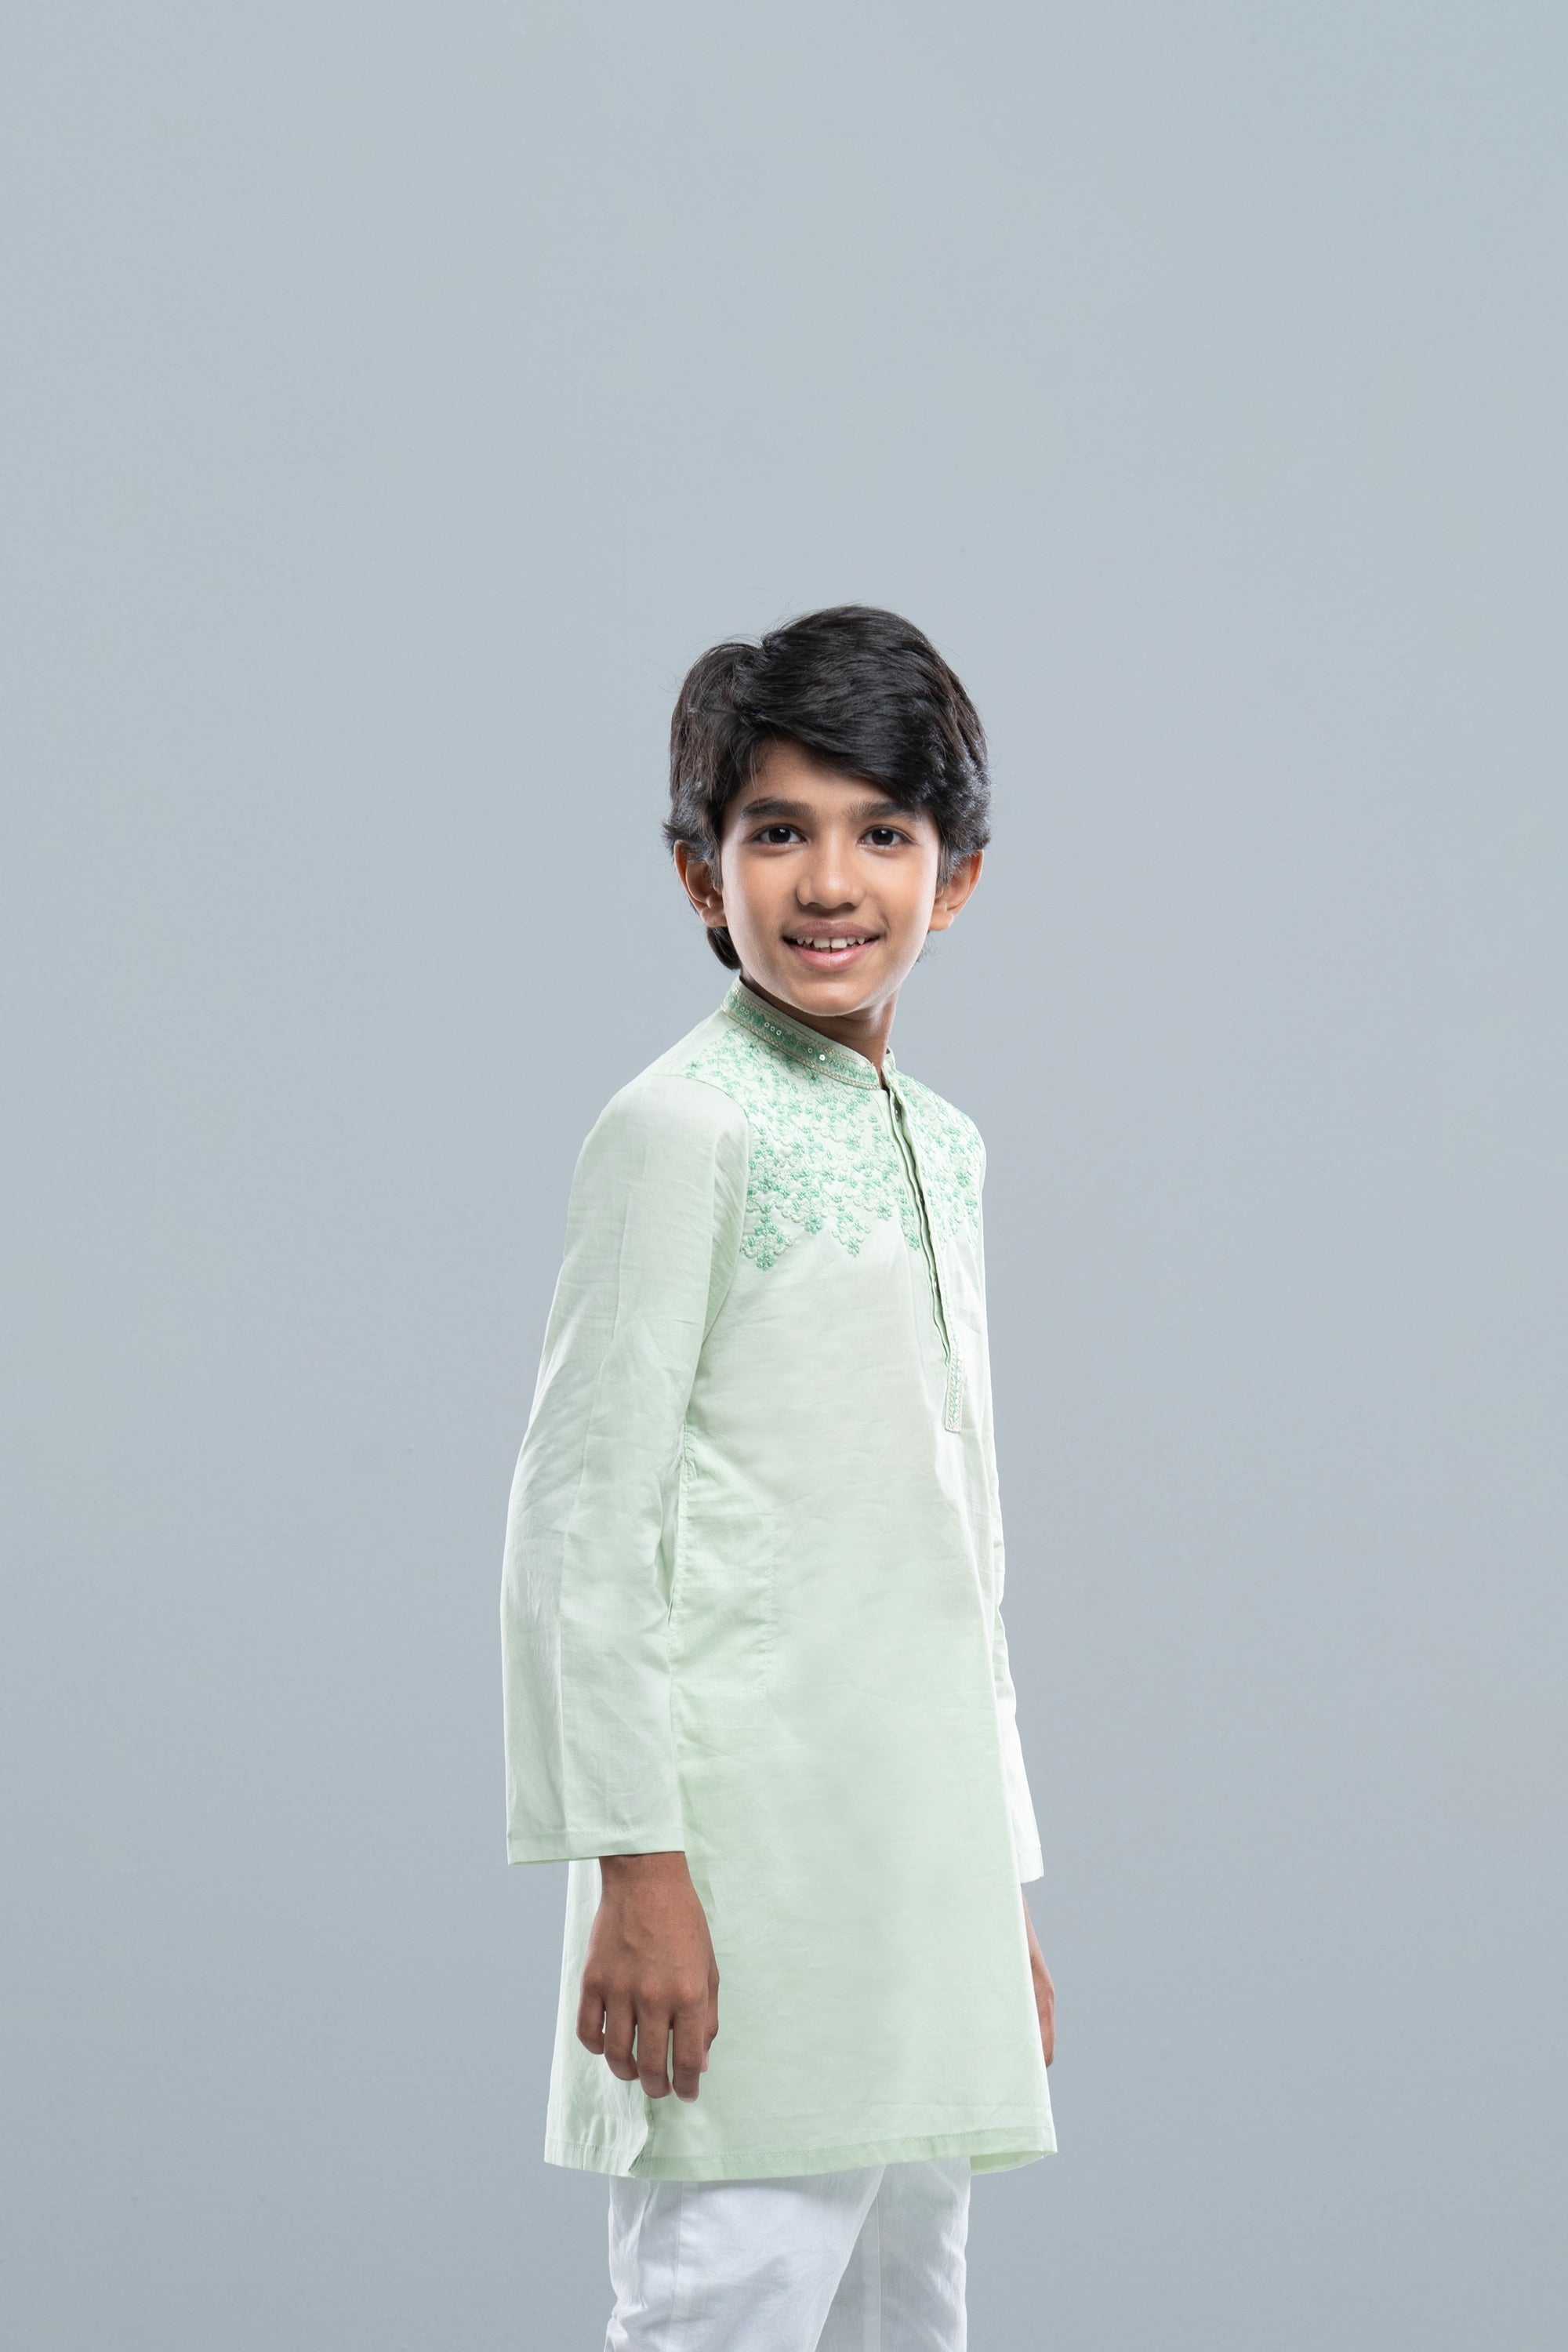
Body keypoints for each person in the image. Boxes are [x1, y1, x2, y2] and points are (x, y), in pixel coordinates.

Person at [499, 605, 1055, 2350]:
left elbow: (956, 1555)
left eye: (882, 832)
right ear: (699, 871)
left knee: (909, 2311)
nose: (830, 883)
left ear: (955, 878)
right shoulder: (679, 1129)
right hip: (740, 1875)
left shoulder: (943, 1144)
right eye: (776, 832)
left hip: (919, 1871)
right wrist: (633, 1868)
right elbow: (579, 1525)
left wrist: (998, 1883)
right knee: (725, 2307)